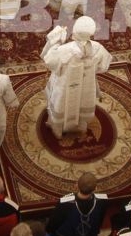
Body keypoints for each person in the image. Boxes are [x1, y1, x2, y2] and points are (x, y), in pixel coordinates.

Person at [42, 14, 111, 142]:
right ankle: (80, 126)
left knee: (61, 104)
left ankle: (58, 130)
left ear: (75, 31)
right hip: (86, 85)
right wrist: (90, 70)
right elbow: (104, 66)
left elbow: (49, 60)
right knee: (82, 103)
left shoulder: (65, 50)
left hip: (65, 86)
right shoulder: (98, 48)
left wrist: (56, 40)